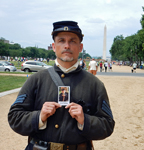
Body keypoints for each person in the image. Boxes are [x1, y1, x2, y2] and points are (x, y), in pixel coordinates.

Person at [8, 21, 115, 150]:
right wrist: (39, 116)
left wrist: (84, 120)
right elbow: (14, 118)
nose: (67, 46)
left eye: (73, 41)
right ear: (54, 46)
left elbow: (107, 125)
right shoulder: (36, 80)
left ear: (80, 48)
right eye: (61, 41)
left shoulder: (95, 84)